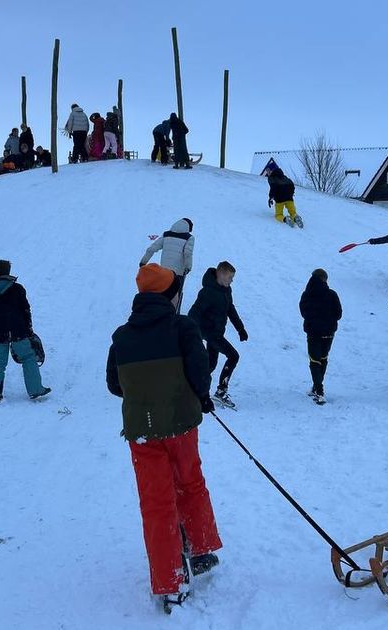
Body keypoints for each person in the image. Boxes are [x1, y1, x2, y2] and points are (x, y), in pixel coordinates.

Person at [106, 263, 222, 611]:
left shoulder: (121, 337)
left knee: (156, 504)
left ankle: (171, 582)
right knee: (190, 484)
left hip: (142, 432)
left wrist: (145, 395)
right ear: (170, 296)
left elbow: (114, 385)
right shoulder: (182, 327)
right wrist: (201, 396)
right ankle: (201, 550)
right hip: (181, 424)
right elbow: (200, 371)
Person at [0, 259, 51, 403]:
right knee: (28, 358)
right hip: (18, 330)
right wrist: (29, 329)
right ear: (8, 271)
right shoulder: (17, 289)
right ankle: (35, 390)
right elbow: (26, 310)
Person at [188, 261, 248, 406]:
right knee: (233, 356)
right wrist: (191, 332)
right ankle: (220, 392)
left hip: (217, 333)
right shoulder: (207, 292)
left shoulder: (226, 290)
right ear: (220, 274)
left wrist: (240, 328)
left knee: (210, 365)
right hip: (210, 333)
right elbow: (194, 313)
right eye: (230, 277)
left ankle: (192, 389)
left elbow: (230, 309)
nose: (232, 281)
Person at [299, 268, 342, 404]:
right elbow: (339, 314)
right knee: (323, 359)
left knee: (314, 361)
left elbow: (304, 312)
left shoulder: (307, 294)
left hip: (313, 332)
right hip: (329, 333)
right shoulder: (332, 294)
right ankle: (317, 387)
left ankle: (318, 390)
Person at [139, 218, 195, 311]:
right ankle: (174, 314)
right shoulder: (189, 238)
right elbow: (188, 253)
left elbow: (152, 248)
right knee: (176, 295)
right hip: (178, 273)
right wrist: (188, 267)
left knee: (163, 292)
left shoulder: (167, 235)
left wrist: (143, 262)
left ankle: (158, 312)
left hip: (164, 272)